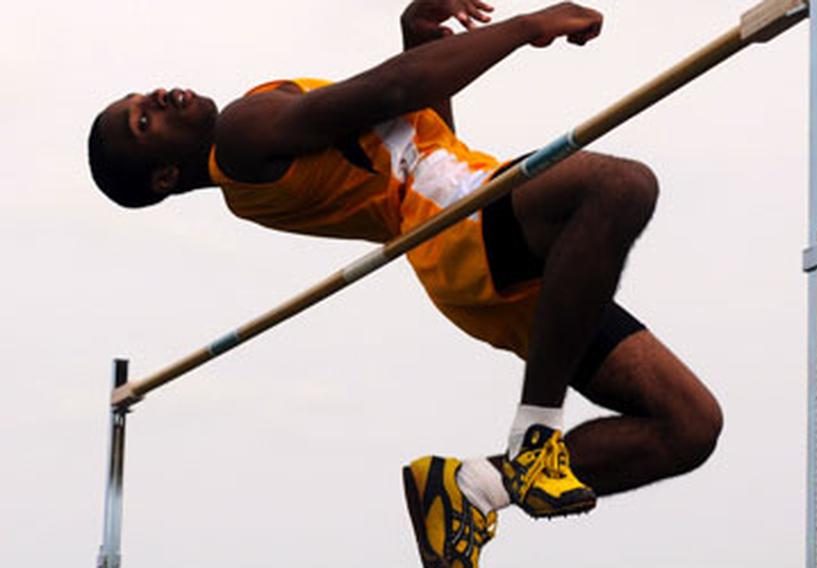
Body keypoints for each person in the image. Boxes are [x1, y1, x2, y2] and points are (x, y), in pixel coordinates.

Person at [88, 1, 723, 566]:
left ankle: (476, 487)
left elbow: (419, 136)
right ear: (165, 177)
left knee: (687, 424)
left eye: (142, 97)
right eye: (143, 121)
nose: (157, 98)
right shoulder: (241, 136)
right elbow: (391, 92)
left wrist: (414, 39)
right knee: (618, 186)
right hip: (460, 226)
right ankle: (536, 437)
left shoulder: (251, 154)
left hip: (469, 234)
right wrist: (529, 27)